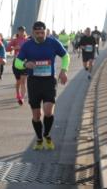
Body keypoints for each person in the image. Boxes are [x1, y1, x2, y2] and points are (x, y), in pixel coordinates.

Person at [13, 21, 70, 151]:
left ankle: (47, 135)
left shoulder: (53, 42)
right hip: (34, 82)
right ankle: (39, 138)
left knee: (49, 111)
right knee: (37, 116)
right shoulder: (27, 45)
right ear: (33, 33)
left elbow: (65, 56)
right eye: (37, 33)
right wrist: (25, 65)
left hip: (49, 81)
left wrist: (64, 70)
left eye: (42, 33)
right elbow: (17, 62)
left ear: (46, 32)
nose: (40, 35)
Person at [6, 26, 29, 106]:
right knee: (18, 81)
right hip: (16, 62)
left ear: (24, 32)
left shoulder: (27, 41)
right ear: (18, 32)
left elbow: (31, 49)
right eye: (20, 31)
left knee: (23, 81)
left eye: (23, 31)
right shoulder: (15, 40)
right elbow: (7, 48)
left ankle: (22, 98)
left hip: (25, 62)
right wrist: (13, 47)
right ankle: (17, 94)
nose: (21, 32)